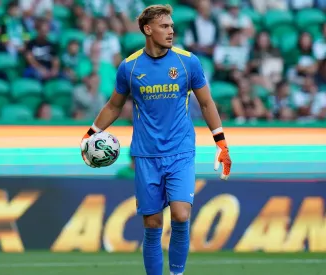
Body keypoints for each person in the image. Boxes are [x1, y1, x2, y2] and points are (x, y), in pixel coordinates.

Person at [79, 4, 232, 275]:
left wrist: (220, 142)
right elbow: (114, 105)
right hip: (146, 155)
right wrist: (91, 133)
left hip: (181, 151)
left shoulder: (188, 62)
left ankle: (176, 273)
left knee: (181, 215)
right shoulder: (130, 67)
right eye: (164, 26)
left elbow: (207, 103)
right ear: (148, 30)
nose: (171, 31)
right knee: (151, 224)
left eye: (172, 26)